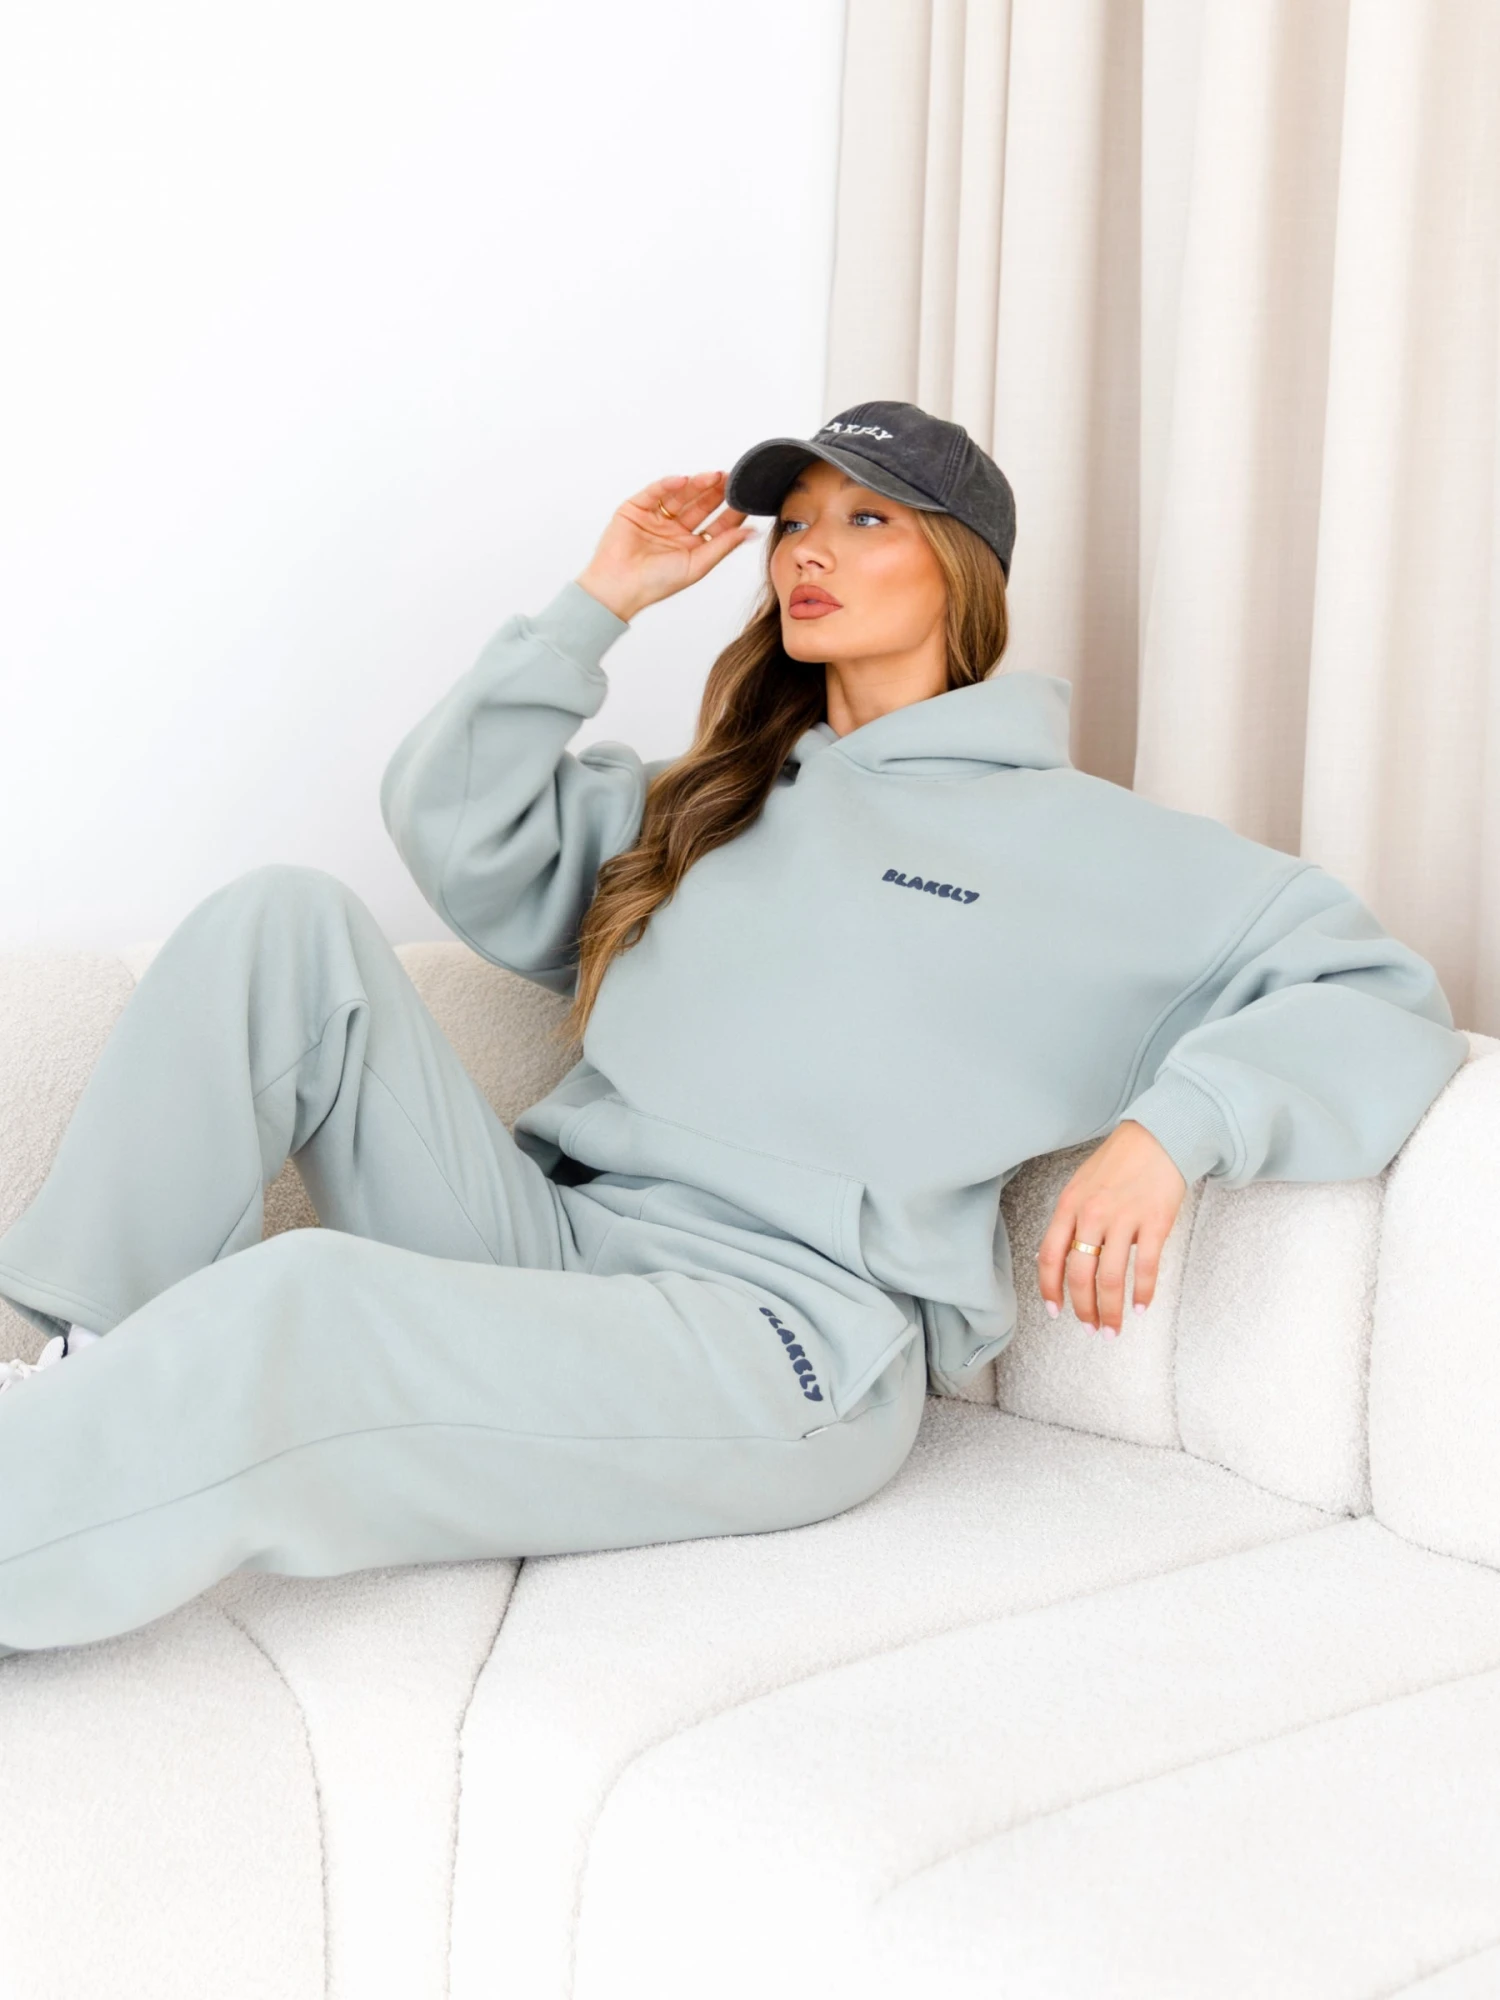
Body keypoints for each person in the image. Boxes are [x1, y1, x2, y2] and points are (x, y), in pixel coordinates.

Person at [0, 399, 1467, 1658]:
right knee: (279, 924)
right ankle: (80, 1375)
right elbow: (449, 817)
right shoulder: (715, 802)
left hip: (776, 1343)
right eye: (796, 523)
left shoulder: (1100, 853)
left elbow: (1379, 992)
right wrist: (600, 603)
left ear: (962, 572)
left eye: (867, 519)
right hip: (551, 1246)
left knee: (300, 1302)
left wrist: (1174, 1133)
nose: (810, 549)